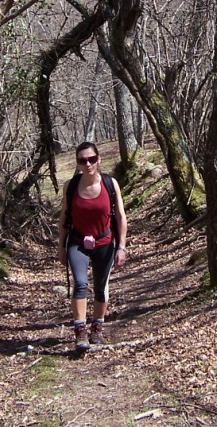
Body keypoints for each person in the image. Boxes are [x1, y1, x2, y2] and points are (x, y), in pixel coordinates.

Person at [57, 142, 128, 350]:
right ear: (77, 163)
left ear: (99, 159)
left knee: (100, 287)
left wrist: (121, 247)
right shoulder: (70, 186)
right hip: (77, 242)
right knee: (80, 283)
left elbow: (122, 217)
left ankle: (97, 328)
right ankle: (80, 331)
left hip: (105, 242)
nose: (87, 164)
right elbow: (63, 217)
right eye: (82, 160)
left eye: (91, 159)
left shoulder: (110, 184)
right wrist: (61, 247)